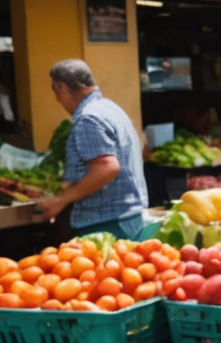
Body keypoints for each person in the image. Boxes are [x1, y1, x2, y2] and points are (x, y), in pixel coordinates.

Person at [36, 60, 151, 239]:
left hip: (106, 224)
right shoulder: (111, 108)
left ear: (62, 87)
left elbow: (107, 167)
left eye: (56, 93)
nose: (58, 100)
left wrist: (61, 200)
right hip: (127, 217)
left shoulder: (88, 118)